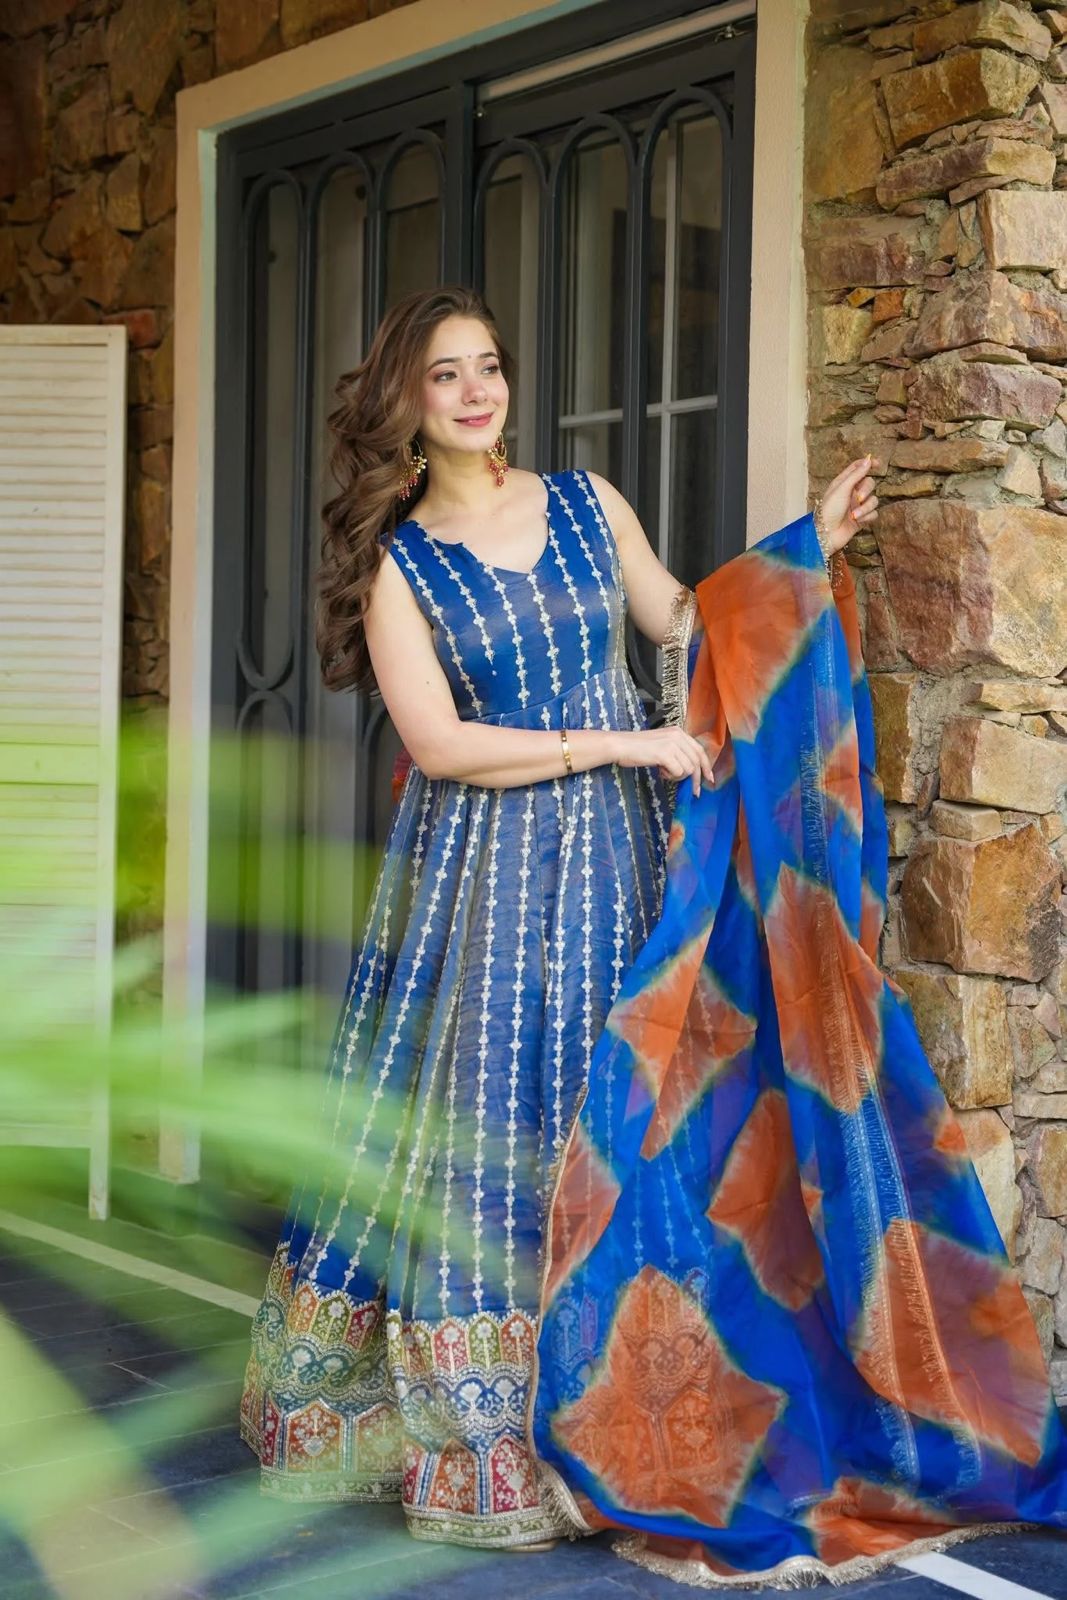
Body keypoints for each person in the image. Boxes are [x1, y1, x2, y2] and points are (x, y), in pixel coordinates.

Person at [240, 284, 1065, 1583]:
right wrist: (621, 739)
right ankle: (494, 1437)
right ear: (405, 400)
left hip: (623, 868)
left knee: (635, 1111)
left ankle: (635, 1411)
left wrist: (799, 552)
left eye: (490, 366)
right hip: (489, 888)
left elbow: (683, 618)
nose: (475, 390)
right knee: (501, 1118)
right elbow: (440, 747)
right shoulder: (403, 564)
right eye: (446, 374)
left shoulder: (584, 503)